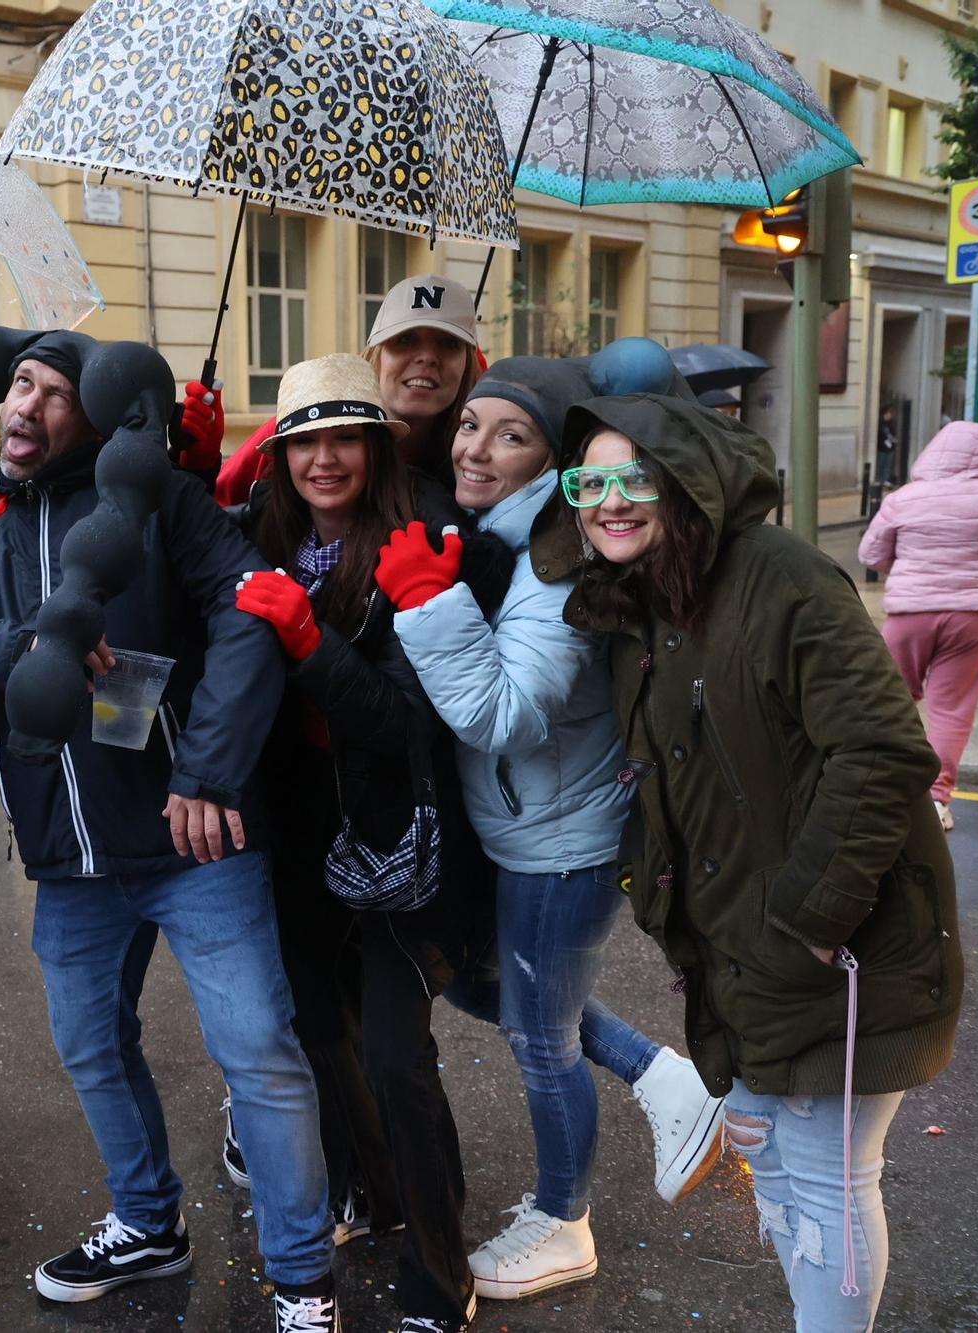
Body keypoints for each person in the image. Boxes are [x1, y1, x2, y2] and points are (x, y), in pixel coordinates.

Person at [0, 331, 340, 1331]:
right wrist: (32, 643)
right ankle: (146, 1221)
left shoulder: (166, 505)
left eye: (50, 392)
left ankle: (301, 1279)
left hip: (192, 840)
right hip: (68, 860)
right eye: (16, 388)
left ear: (98, 413)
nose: (24, 408)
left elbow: (250, 617)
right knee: (90, 1046)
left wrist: (208, 770)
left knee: (256, 1048)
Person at [536, 394, 963, 1332]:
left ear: (686, 484)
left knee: (825, 1185)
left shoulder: (782, 579)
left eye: (634, 475)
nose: (609, 499)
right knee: (775, 1164)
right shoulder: (641, 604)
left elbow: (884, 750)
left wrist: (810, 920)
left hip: (840, 951)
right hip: (740, 958)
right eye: (588, 481)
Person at [385, 359, 726, 1303]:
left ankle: (564, 1219)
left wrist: (426, 601)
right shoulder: (504, 531)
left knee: (540, 1036)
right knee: (490, 990)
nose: (475, 448)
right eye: (469, 426)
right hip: (520, 821)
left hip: (558, 836)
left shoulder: (552, 559)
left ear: (553, 456)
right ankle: (665, 1074)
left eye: (509, 434)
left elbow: (503, 715)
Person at [229, 352, 488, 1333]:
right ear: (279, 453)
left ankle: (437, 1267)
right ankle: (369, 1191)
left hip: (399, 846)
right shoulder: (257, 535)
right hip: (295, 842)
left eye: (345, 438)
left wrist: (305, 640)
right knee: (317, 1038)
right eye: (304, 440)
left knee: (392, 1056)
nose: (324, 459)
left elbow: (398, 720)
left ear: (375, 449)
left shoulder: (419, 543)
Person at [207, 273, 484, 505]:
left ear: (467, 364)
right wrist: (198, 465)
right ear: (376, 356)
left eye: (448, 343)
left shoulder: (478, 457)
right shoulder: (304, 423)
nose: (427, 357)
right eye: (406, 339)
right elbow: (212, 509)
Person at [858, 419, 978, 831]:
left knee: (888, 698)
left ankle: (882, 787)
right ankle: (937, 801)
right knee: (952, 709)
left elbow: (870, 552)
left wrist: (908, 569)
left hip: (910, 613)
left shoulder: (904, 498)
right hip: (972, 616)